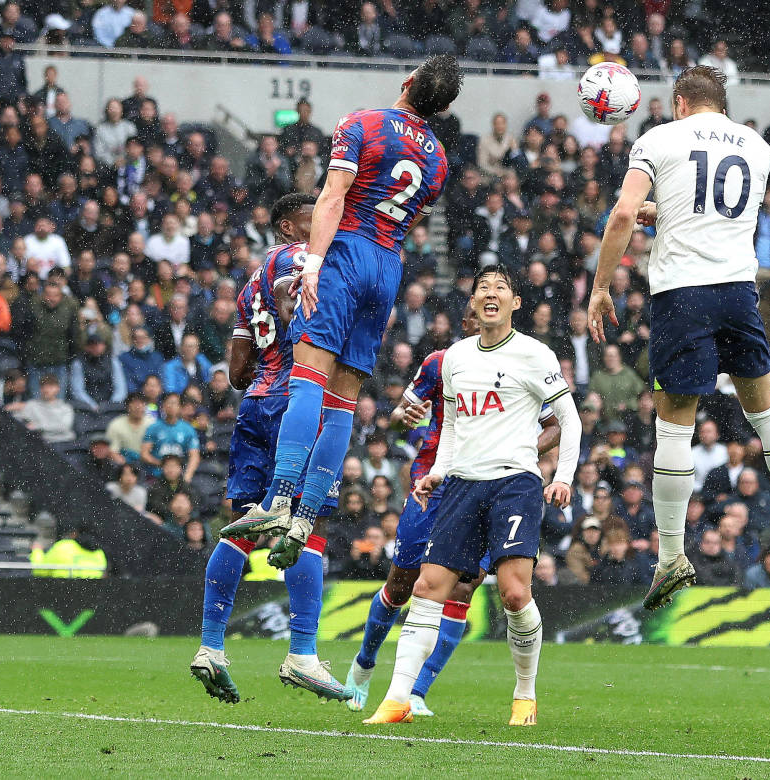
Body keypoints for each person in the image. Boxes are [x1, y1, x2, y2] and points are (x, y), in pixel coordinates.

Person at [587, 66, 770, 611]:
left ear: (679, 101)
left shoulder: (658, 138)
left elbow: (624, 212)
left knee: (674, 426)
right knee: (767, 415)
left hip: (683, 295)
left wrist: (602, 286)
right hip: (739, 293)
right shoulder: (758, 146)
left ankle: (671, 556)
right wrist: (661, 211)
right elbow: (712, 210)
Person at [220, 56, 460, 561]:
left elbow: (332, 197)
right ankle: (306, 519)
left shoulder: (362, 122)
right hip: (388, 264)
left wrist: (313, 265)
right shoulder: (438, 158)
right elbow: (408, 217)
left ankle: (281, 500)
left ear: (408, 81)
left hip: (345, 255)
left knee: (309, 378)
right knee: (344, 400)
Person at [363, 264, 581, 726]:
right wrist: (437, 472)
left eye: (501, 287)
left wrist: (563, 475)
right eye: (483, 286)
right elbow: (455, 426)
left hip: (514, 484)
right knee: (426, 588)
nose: (491, 292)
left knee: (514, 595)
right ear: (474, 301)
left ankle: (525, 695)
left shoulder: (535, 354)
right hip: (461, 485)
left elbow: (570, 419)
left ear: (515, 303)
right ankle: (397, 698)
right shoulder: (456, 358)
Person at [191, 194, 349, 703]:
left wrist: (269, 347)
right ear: (287, 226)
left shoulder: (246, 287)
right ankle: (302, 653)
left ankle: (211, 647)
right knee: (311, 523)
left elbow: (237, 373)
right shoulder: (296, 256)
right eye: (313, 218)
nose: (325, 223)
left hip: (257, 403)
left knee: (245, 525)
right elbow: (295, 288)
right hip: (299, 402)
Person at [29, 524, 107, 578]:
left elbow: (39, 571)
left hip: (61, 596)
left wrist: (37, 551)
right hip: (90, 599)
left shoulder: (63, 546)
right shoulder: (100, 553)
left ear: (75, 533)